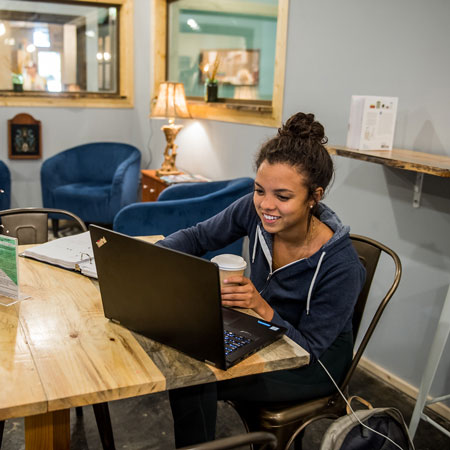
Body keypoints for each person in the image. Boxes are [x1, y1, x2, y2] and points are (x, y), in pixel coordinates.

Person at [159, 112, 366, 447]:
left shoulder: (341, 266)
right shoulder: (254, 211)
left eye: (282, 197)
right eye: (259, 190)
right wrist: (154, 256)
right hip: (258, 332)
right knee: (186, 357)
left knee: (193, 377)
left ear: (315, 196)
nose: (266, 205)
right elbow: (197, 237)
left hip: (312, 366)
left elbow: (311, 349)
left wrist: (261, 307)